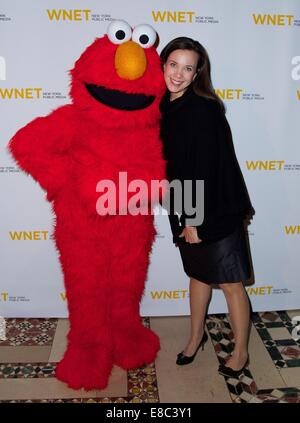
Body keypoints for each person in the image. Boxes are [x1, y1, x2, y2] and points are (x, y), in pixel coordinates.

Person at [159, 37, 254, 378]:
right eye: (173, 64)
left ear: (198, 71)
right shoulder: (162, 105)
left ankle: (241, 352)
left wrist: (195, 220)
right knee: (197, 275)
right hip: (182, 203)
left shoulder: (203, 107)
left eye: (188, 67)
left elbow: (208, 167)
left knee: (230, 283)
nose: (178, 74)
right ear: (163, 63)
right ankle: (195, 337)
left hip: (214, 206)